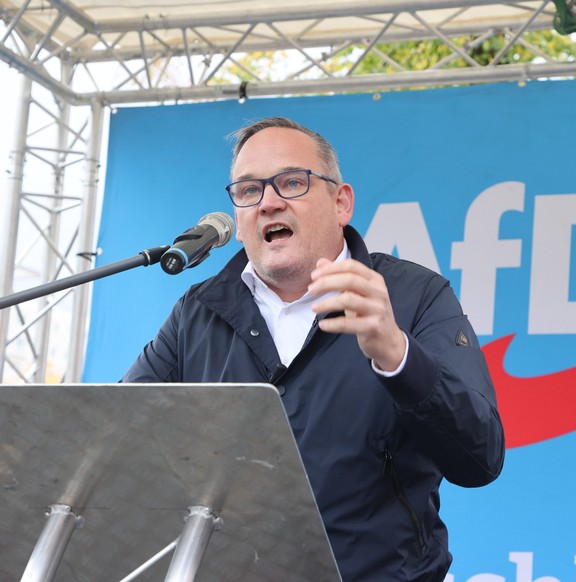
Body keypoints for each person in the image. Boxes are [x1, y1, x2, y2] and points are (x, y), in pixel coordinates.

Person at [123, 116, 506, 581]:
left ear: (341, 202)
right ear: (238, 223)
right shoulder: (197, 312)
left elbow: (479, 456)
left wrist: (397, 356)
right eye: (248, 191)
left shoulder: (413, 296)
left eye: (291, 183)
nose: (268, 203)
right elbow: (122, 439)